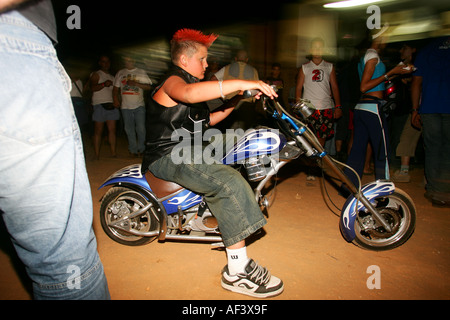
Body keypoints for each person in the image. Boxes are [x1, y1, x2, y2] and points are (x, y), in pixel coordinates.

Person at [141, 29, 283, 298]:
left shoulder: (190, 87)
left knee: (244, 142)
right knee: (228, 181)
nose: (207, 65)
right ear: (184, 60)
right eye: (203, 59)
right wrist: (241, 82)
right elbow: (189, 94)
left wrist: (238, 98)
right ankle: (237, 272)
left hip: (193, 146)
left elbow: (208, 122)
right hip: (168, 155)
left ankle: (208, 213)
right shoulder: (173, 81)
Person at [0, 0, 110, 299]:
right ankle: (98, 155)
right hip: (13, 44)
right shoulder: (96, 75)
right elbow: (91, 92)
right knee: (64, 265)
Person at [342, 25, 414, 191]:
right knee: (383, 151)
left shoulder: (369, 55)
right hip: (371, 108)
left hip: (363, 108)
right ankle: (384, 189)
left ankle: (349, 186)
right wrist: (391, 72)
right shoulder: (373, 55)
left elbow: (375, 81)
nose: (388, 41)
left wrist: (396, 73)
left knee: (357, 151)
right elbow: (364, 86)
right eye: (386, 37)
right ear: (379, 38)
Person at [295, 37, 342, 180]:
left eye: (319, 47)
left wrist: (338, 106)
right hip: (309, 108)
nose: (317, 50)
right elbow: (298, 88)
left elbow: (334, 87)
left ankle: (316, 163)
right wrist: (299, 107)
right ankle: (311, 165)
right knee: (309, 138)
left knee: (321, 138)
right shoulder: (305, 67)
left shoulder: (329, 66)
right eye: (314, 47)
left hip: (326, 107)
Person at [411, 36, 450, 207]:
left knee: (433, 148)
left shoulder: (426, 51)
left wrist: (414, 109)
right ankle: (444, 190)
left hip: (429, 106)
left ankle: (434, 188)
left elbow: (416, 83)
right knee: (448, 148)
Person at [391, 43, 420, 183]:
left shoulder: (420, 63)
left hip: (420, 107)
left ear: (413, 49)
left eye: (405, 48)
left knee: (430, 141)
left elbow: (418, 84)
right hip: (404, 108)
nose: (401, 51)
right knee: (404, 138)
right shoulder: (400, 66)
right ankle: (404, 170)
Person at [113, 56, 152, 156]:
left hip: (139, 105)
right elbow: (115, 88)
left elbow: (149, 86)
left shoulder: (141, 72)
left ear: (134, 61)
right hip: (125, 106)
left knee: (141, 128)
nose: (127, 62)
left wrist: (136, 84)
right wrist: (115, 99)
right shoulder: (120, 73)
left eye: (129, 60)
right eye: (126, 61)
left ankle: (142, 149)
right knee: (128, 129)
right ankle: (133, 150)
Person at [212, 49, 259, 130]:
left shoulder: (227, 68)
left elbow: (213, 79)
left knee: (231, 133)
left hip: (230, 104)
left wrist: (222, 96)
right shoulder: (254, 71)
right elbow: (257, 89)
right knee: (244, 133)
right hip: (247, 107)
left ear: (236, 58)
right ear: (247, 59)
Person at [90, 55, 120, 160]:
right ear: (99, 63)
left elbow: (115, 92)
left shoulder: (113, 77)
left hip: (111, 105)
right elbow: (92, 88)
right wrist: (103, 84)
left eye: (107, 62)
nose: (105, 64)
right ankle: (96, 154)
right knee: (98, 130)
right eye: (103, 62)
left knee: (112, 130)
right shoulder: (96, 74)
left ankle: (113, 153)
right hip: (99, 104)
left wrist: (117, 101)